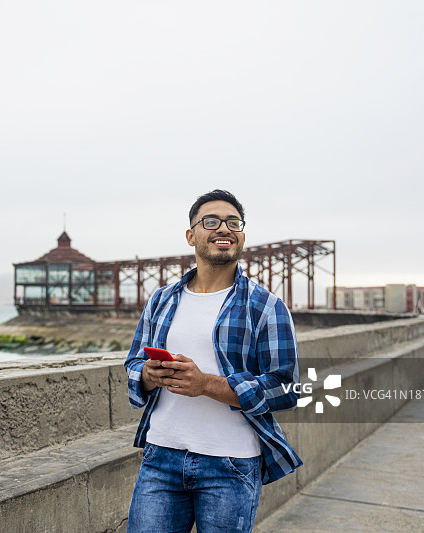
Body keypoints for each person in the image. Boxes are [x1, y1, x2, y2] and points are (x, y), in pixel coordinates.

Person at [124, 189, 302, 533]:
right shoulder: (161, 300)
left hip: (231, 462)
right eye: (211, 221)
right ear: (191, 236)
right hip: (160, 455)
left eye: (234, 222)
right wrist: (148, 374)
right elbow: (133, 364)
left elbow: (287, 388)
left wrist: (205, 384)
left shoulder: (266, 306)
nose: (224, 228)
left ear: (242, 236)